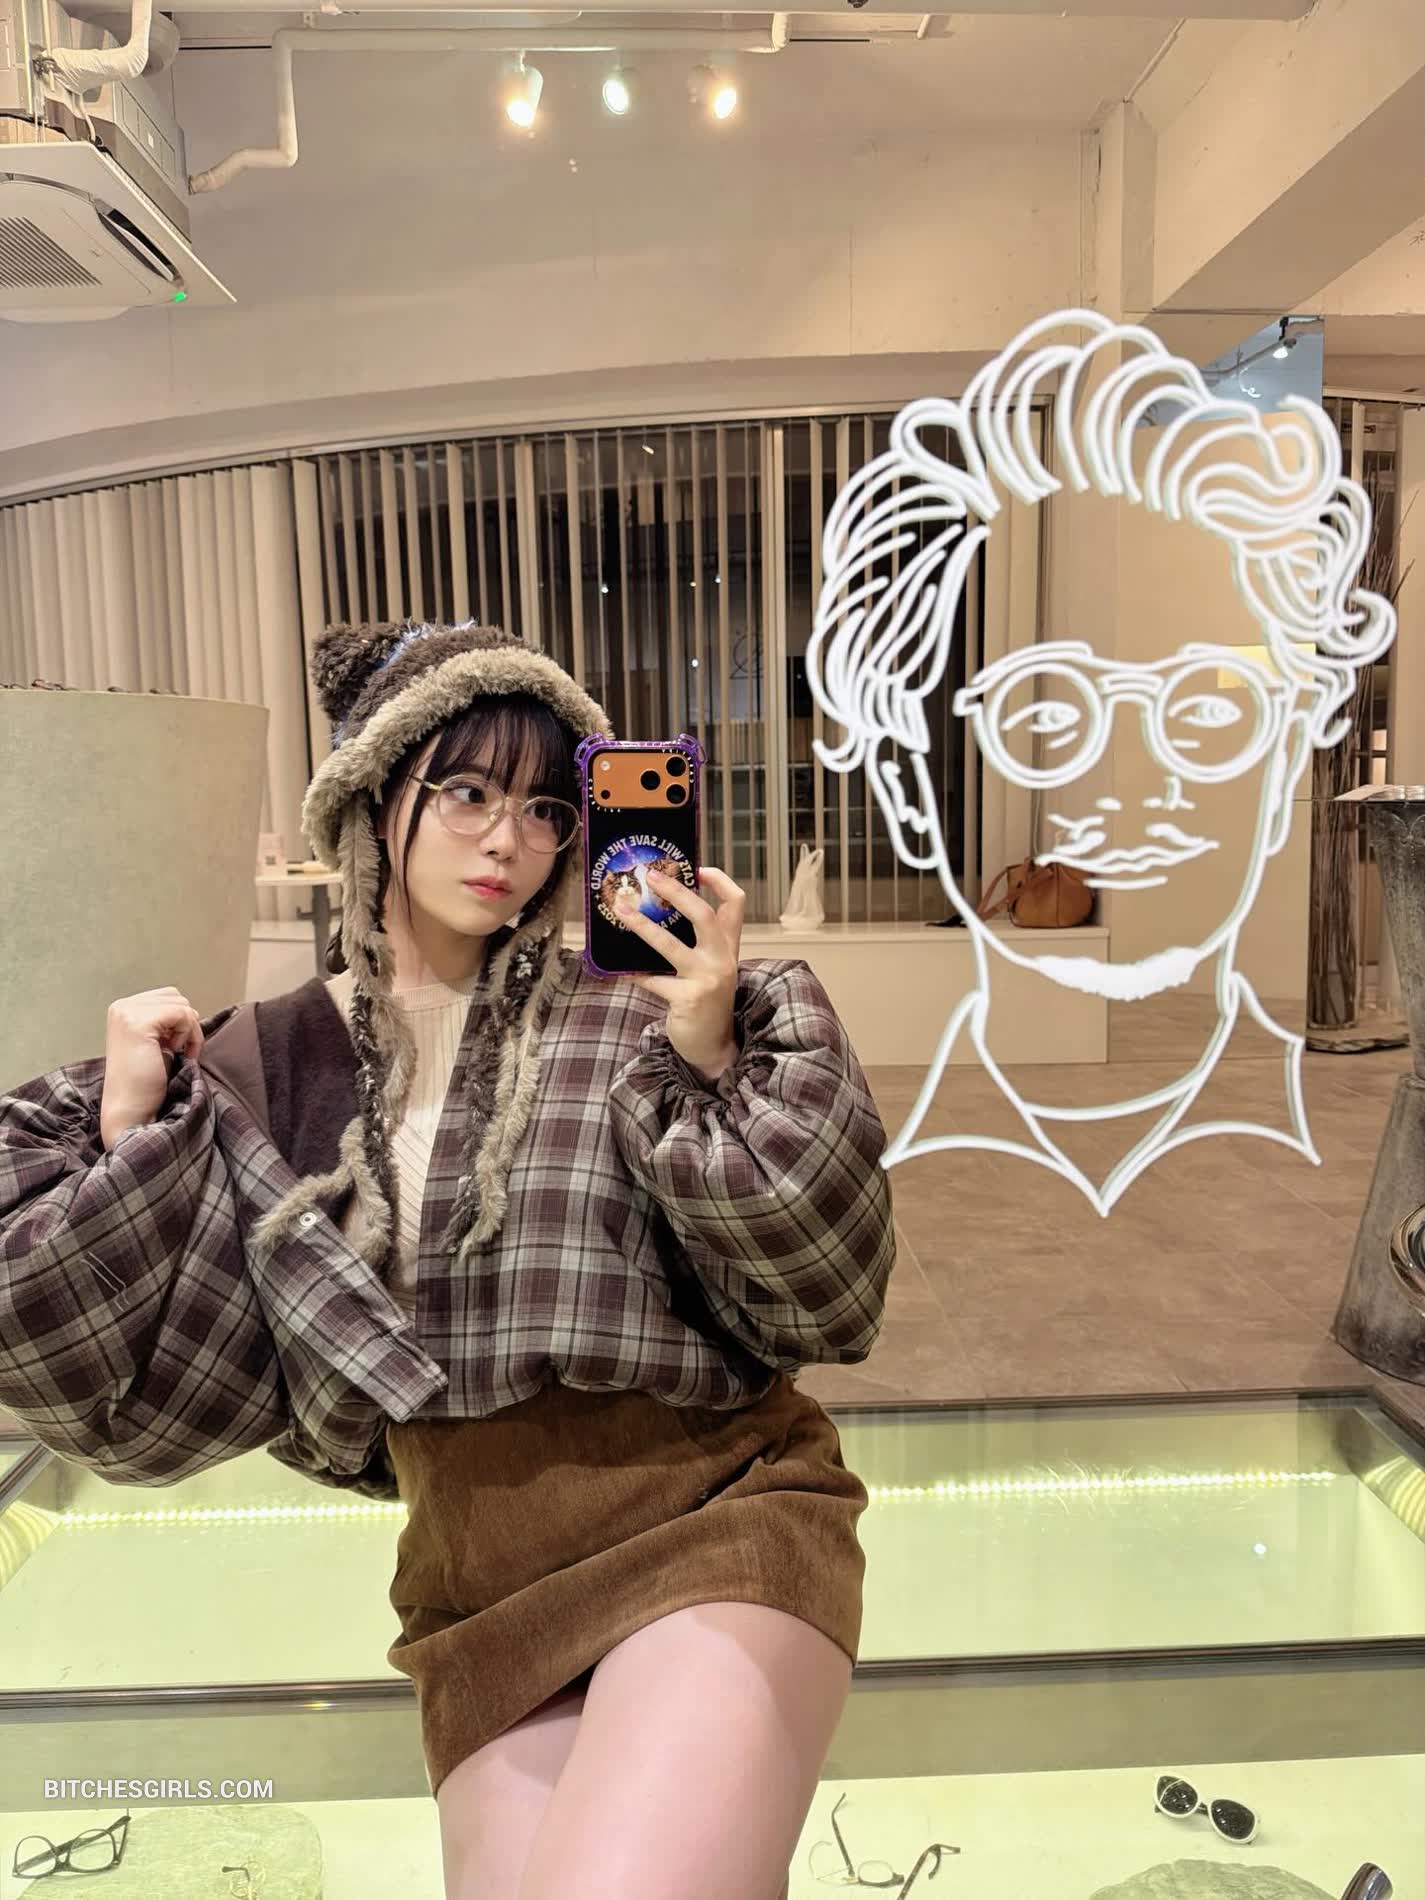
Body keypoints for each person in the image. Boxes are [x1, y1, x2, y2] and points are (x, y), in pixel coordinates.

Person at [0, 620, 897, 1900]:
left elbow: (831, 1291)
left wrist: (708, 1051)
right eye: (467, 791)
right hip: (470, 1589)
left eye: (544, 807)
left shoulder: (640, 1016)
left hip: (714, 1518)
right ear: (375, 799)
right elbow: (92, 1384)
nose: (508, 840)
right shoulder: (272, 1062)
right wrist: (125, 1135)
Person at [806, 309, 1395, 1214]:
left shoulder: (1333, 1175)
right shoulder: (855, 1148)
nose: (1135, 799)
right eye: (1045, 715)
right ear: (902, 788)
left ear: (1282, 773)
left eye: (1201, 715)